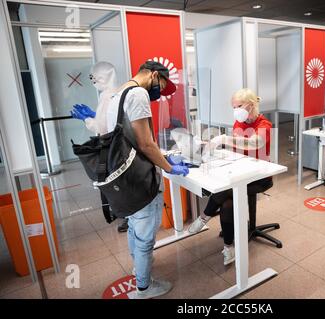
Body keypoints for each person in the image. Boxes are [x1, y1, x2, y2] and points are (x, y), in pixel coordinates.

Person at [105, 60, 189, 299]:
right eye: (161, 85)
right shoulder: (139, 93)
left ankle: (137, 269)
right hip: (141, 177)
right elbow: (145, 143)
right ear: (153, 74)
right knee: (145, 236)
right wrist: (169, 167)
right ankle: (144, 288)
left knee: (134, 226)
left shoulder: (118, 95)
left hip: (123, 176)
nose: (160, 92)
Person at [188, 88, 273, 266]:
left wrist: (223, 139)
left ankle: (204, 217)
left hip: (260, 176)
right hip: (240, 171)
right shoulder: (238, 122)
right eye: (233, 107)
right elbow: (237, 148)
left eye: (239, 106)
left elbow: (254, 142)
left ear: (251, 104)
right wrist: (211, 145)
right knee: (227, 203)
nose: (236, 110)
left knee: (225, 191)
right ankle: (229, 247)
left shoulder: (264, 124)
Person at [70, 62, 129, 233]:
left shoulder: (107, 96)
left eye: (93, 77)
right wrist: (94, 115)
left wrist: (86, 119)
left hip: (112, 147)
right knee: (120, 182)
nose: (93, 81)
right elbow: (109, 121)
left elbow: (101, 128)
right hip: (118, 145)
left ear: (102, 78)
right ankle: (126, 214)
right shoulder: (115, 94)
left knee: (117, 184)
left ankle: (126, 216)